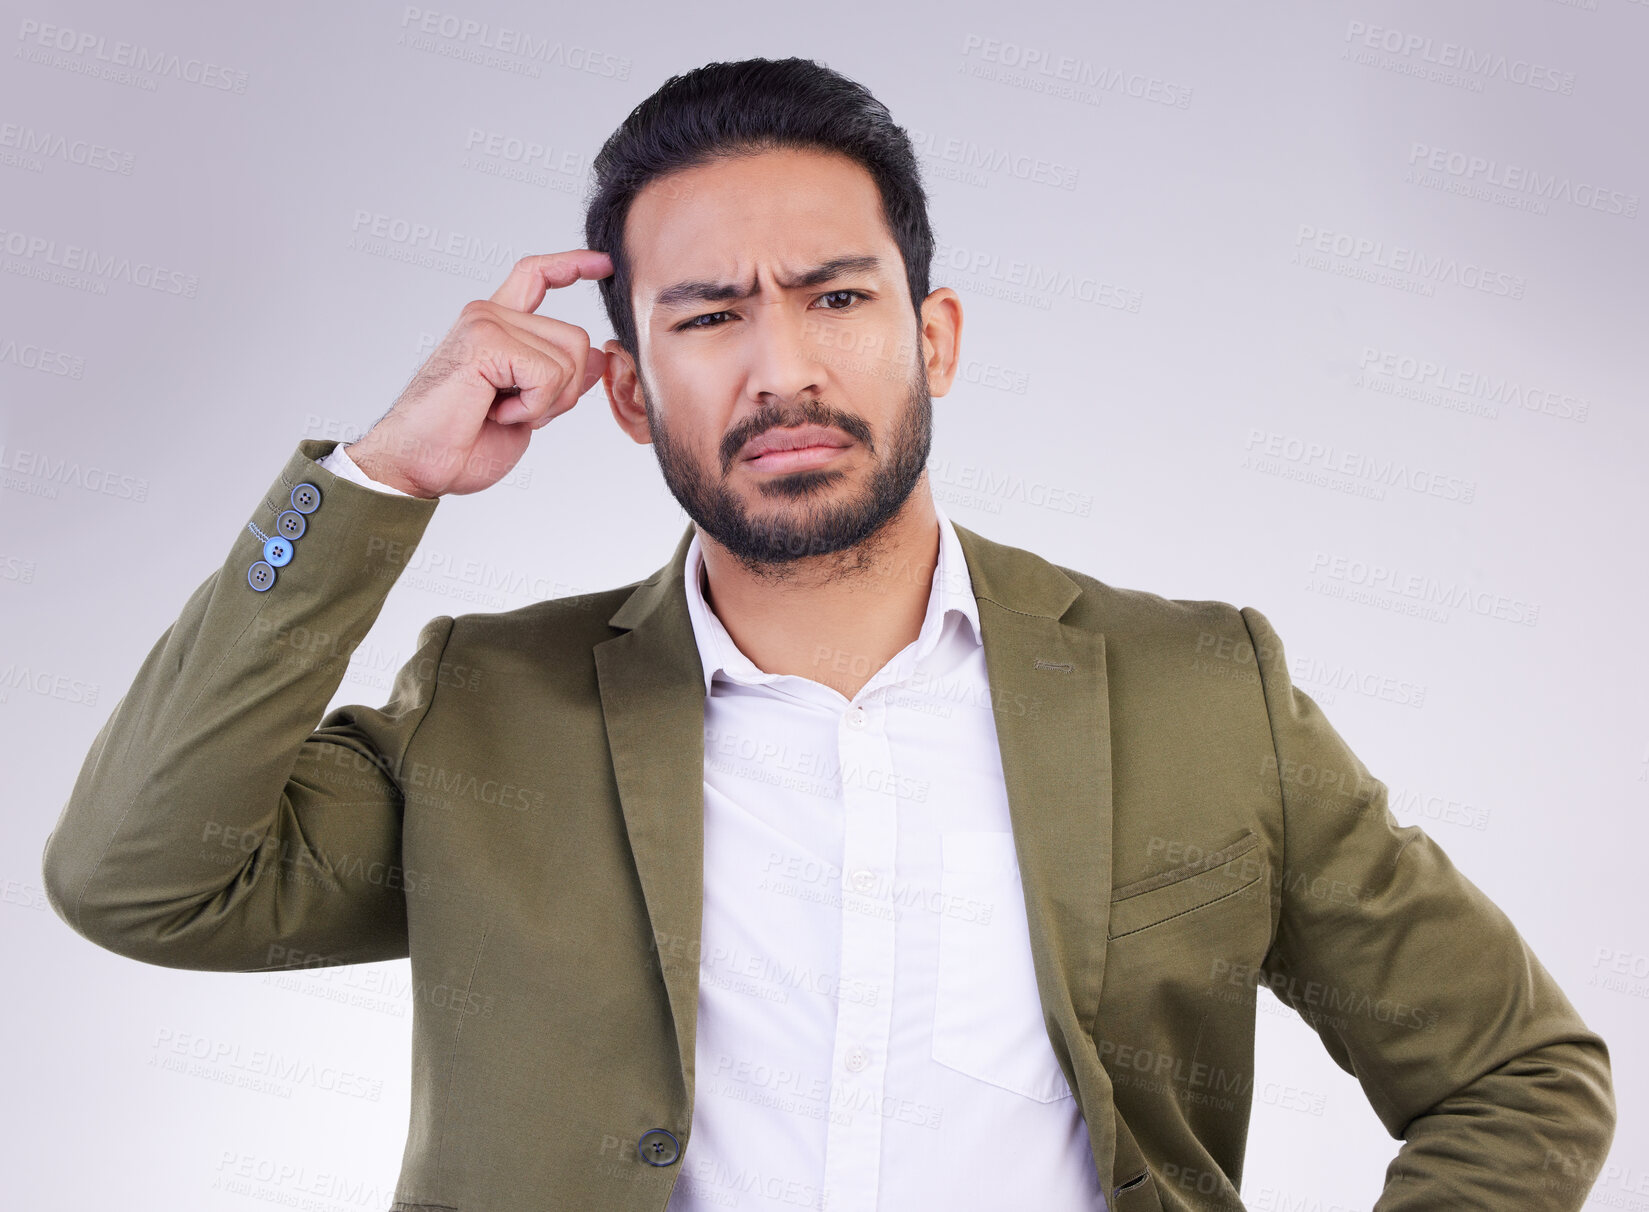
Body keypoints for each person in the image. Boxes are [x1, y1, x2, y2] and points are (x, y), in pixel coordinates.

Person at [41, 56, 1613, 1212]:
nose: (780, 366)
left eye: (836, 299)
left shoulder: (1201, 689)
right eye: (709, 317)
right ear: (632, 390)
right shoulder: (489, 710)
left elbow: (1513, 1074)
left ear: (929, 336)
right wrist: (378, 478)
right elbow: (143, 880)